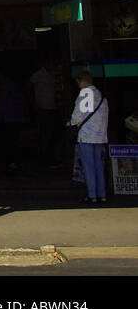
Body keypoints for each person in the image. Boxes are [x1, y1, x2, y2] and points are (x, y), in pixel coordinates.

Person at [68, 71, 110, 204]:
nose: (78, 85)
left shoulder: (85, 94)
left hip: (86, 136)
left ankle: (92, 194)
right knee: (98, 164)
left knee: (88, 165)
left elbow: (76, 117)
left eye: (78, 82)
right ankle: (102, 194)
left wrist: (70, 123)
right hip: (100, 136)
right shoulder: (101, 95)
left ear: (82, 81)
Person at [29, 56, 63, 167]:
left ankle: (49, 158)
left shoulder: (53, 74)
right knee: (45, 134)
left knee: (51, 134)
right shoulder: (38, 75)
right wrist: (33, 102)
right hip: (42, 108)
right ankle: (44, 158)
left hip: (52, 108)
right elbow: (29, 86)